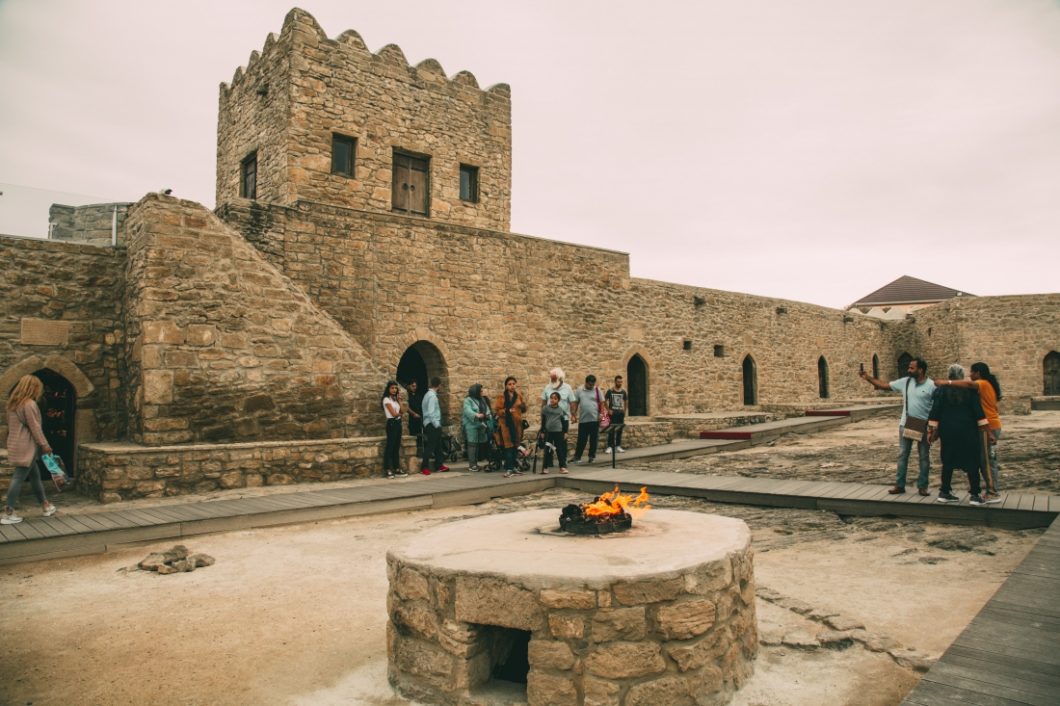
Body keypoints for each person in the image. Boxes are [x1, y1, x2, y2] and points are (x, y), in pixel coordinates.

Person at [859, 357, 936, 495]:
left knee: (924, 457)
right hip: (907, 423)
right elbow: (884, 385)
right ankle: (900, 485)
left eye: (912, 368)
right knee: (902, 455)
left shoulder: (931, 385)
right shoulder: (905, 382)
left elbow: (936, 407)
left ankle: (922, 486)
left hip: (924, 425)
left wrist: (933, 428)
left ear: (921, 370)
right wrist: (868, 377)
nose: (908, 370)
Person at [937, 361, 1002, 504]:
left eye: (972, 372)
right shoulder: (978, 387)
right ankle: (979, 493)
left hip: (971, 428)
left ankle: (992, 492)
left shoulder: (980, 384)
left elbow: (936, 410)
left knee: (982, 461)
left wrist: (946, 382)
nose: (970, 375)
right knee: (978, 461)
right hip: (978, 429)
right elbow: (978, 411)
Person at [928, 365, 987, 505]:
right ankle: (974, 494)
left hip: (948, 430)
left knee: (947, 460)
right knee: (972, 461)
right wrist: (986, 431)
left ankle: (945, 491)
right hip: (968, 430)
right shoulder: (970, 391)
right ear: (961, 376)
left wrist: (932, 430)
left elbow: (935, 412)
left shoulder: (941, 391)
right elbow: (978, 412)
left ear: (949, 376)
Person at [4, 375, 58, 524]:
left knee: (35, 476)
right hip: (27, 444)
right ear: (33, 388)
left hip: (16, 443)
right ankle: (8, 512)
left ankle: (45, 506)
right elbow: (35, 427)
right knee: (18, 477)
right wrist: (44, 444)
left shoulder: (12, 404)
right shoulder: (29, 404)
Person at [493, 376, 527, 477]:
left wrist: (523, 406)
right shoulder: (502, 397)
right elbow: (498, 411)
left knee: (516, 446)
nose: (512, 386)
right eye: (510, 384)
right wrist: (507, 411)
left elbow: (524, 409)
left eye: (513, 384)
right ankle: (509, 468)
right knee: (508, 447)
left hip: (517, 425)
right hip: (506, 426)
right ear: (506, 386)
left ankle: (514, 467)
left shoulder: (519, 396)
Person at [570, 374, 603, 464]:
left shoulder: (597, 390)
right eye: (589, 385)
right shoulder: (579, 390)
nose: (591, 386)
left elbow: (602, 402)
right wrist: (573, 414)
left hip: (594, 419)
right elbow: (576, 402)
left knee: (593, 440)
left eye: (592, 385)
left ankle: (591, 457)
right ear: (586, 382)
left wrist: (601, 414)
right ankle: (577, 457)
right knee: (581, 439)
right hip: (583, 420)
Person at [420, 377, 448, 475]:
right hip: (432, 424)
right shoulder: (432, 396)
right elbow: (431, 413)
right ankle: (424, 467)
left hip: (430, 423)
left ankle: (439, 465)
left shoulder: (427, 395)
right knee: (431, 446)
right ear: (439, 385)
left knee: (438, 446)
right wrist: (437, 425)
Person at [380, 381, 408, 479]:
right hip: (391, 423)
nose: (394, 390)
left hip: (398, 424)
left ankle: (396, 468)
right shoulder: (386, 400)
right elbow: (394, 414)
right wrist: (399, 414)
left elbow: (403, 410)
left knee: (396, 447)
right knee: (390, 446)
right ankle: (387, 469)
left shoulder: (395, 400)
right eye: (392, 388)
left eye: (395, 388)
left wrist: (400, 401)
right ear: (388, 389)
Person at [462, 384, 492, 471]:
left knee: (477, 444)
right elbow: (467, 410)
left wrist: (488, 415)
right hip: (471, 425)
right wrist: (476, 415)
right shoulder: (468, 400)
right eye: (481, 391)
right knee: (472, 444)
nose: (482, 392)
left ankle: (475, 463)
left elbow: (487, 409)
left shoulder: (482, 400)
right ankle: (472, 465)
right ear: (476, 391)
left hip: (480, 424)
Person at [540, 391, 569, 474]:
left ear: (558, 400)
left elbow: (563, 421)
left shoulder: (560, 410)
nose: (553, 400)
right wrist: (542, 431)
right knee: (547, 449)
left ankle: (562, 467)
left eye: (555, 398)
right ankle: (545, 467)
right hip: (548, 432)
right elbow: (543, 420)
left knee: (559, 449)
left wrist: (565, 432)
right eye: (551, 398)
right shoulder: (545, 408)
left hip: (558, 432)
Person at [604, 375, 628, 454]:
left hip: (620, 413)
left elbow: (625, 401)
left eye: (621, 382)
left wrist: (624, 411)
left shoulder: (623, 392)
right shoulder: (610, 391)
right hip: (612, 413)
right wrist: (608, 409)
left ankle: (618, 446)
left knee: (620, 430)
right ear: (615, 382)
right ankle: (610, 446)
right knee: (611, 430)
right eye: (618, 382)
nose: (619, 383)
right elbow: (604, 401)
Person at [405, 379, 423, 455]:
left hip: (419, 418)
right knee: (413, 435)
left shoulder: (418, 395)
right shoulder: (407, 395)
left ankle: (419, 451)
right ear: (409, 386)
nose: (414, 388)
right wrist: (413, 414)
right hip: (411, 419)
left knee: (419, 435)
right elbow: (406, 407)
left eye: (415, 386)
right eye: (413, 386)